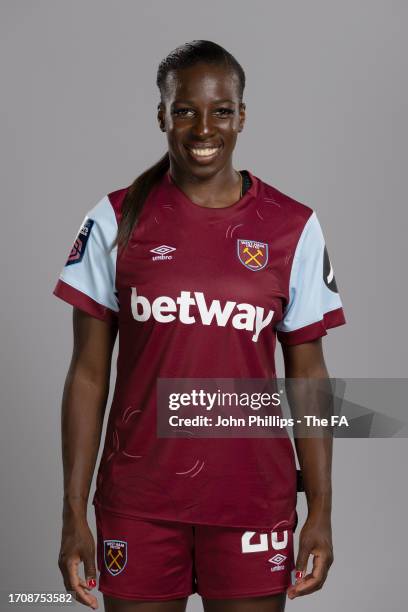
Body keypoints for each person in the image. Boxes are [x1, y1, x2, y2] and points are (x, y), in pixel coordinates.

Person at [53, 40, 346, 612]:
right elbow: (88, 375)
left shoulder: (293, 227)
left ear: (241, 116)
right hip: (138, 500)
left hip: (252, 501)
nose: (202, 127)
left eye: (221, 110)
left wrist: (323, 511)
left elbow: (307, 374)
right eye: (185, 109)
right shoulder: (113, 219)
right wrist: (72, 511)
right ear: (162, 115)